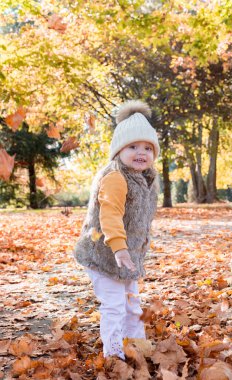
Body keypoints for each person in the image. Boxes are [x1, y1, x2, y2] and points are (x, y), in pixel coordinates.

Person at [74, 100, 160, 360]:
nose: (140, 152)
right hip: (104, 253)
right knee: (114, 306)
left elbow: (142, 218)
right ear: (118, 151)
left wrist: (134, 248)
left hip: (127, 257)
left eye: (147, 148)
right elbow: (109, 213)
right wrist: (120, 247)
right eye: (132, 147)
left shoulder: (148, 178)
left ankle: (137, 346)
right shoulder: (115, 177)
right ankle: (113, 354)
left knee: (133, 304)